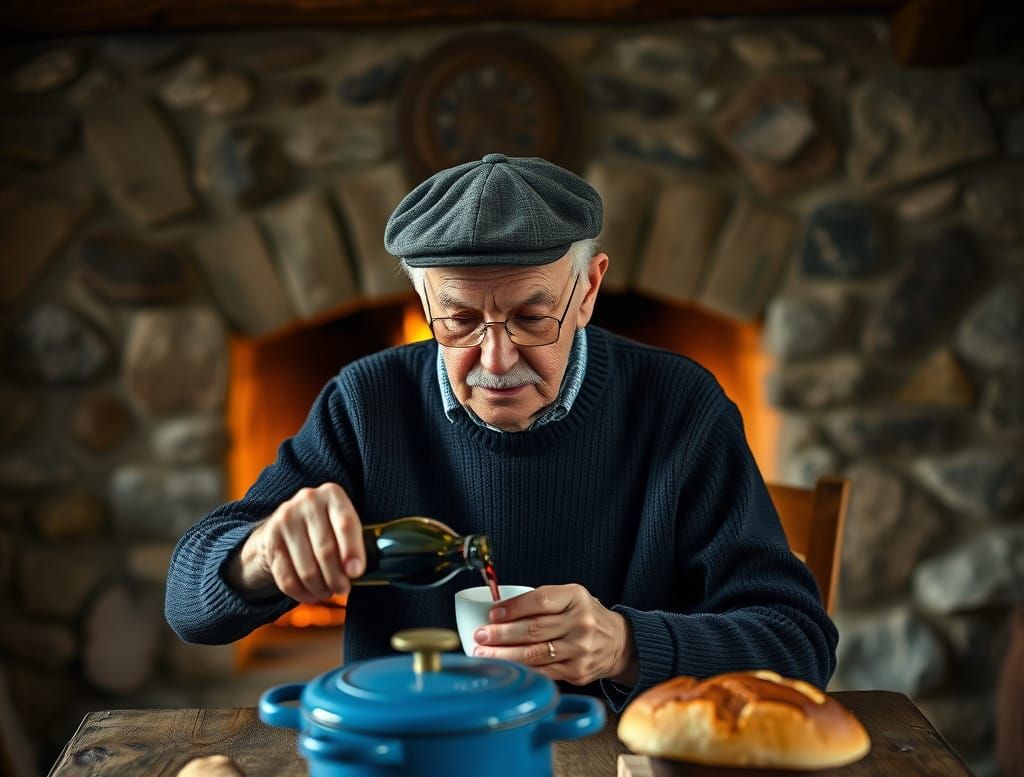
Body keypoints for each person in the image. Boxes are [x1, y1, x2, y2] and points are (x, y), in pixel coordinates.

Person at [165, 153, 838, 710]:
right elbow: (189, 608)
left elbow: (799, 645)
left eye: (531, 317)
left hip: (623, 775)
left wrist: (624, 643)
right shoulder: (368, 402)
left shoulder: (678, 407)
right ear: (424, 304)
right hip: (411, 760)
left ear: (589, 289)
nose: (495, 361)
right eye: (457, 322)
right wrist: (260, 555)